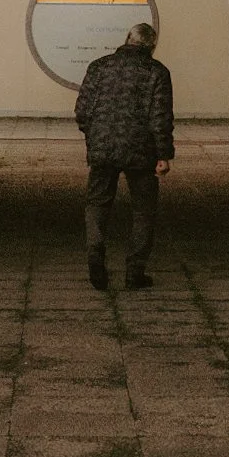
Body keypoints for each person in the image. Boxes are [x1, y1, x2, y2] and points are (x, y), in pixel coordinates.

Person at [74, 21, 174, 291]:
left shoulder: (99, 66)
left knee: (97, 204)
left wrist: (93, 134)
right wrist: (164, 154)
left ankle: (96, 255)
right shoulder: (157, 72)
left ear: (127, 38)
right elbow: (160, 117)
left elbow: (82, 110)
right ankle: (134, 273)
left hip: (103, 147)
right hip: (141, 150)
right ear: (152, 46)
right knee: (143, 210)